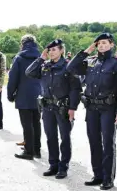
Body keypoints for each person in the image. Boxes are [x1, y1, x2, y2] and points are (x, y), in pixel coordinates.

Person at [67, 33, 117, 190]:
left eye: (104, 43)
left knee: (107, 143)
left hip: (108, 108)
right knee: (94, 142)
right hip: (92, 108)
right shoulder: (90, 62)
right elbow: (71, 68)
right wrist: (86, 51)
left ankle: (108, 178)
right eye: (98, 43)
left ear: (111, 44)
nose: (101, 46)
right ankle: (98, 175)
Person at [26, 39, 81, 179]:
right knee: (51, 137)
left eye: (54, 50)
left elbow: (75, 89)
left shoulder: (68, 66)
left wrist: (72, 108)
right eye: (49, 50)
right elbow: (29, 72)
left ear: (62, 50)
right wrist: (41, 58)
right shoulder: (44, 65)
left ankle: (63, 167)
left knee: (64, 138)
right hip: (48, 107)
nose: (51, 52)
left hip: (63, 107)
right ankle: (53, 164)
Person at [7, 34, 42, 160]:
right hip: (38, 93)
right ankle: (37, 149)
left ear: (22, 44)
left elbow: (13, 78)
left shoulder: (19, 57)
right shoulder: (40, 56)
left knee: (26, 124)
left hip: (23, 93)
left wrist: (10, 94)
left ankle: (29, 151)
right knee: (36, 122)